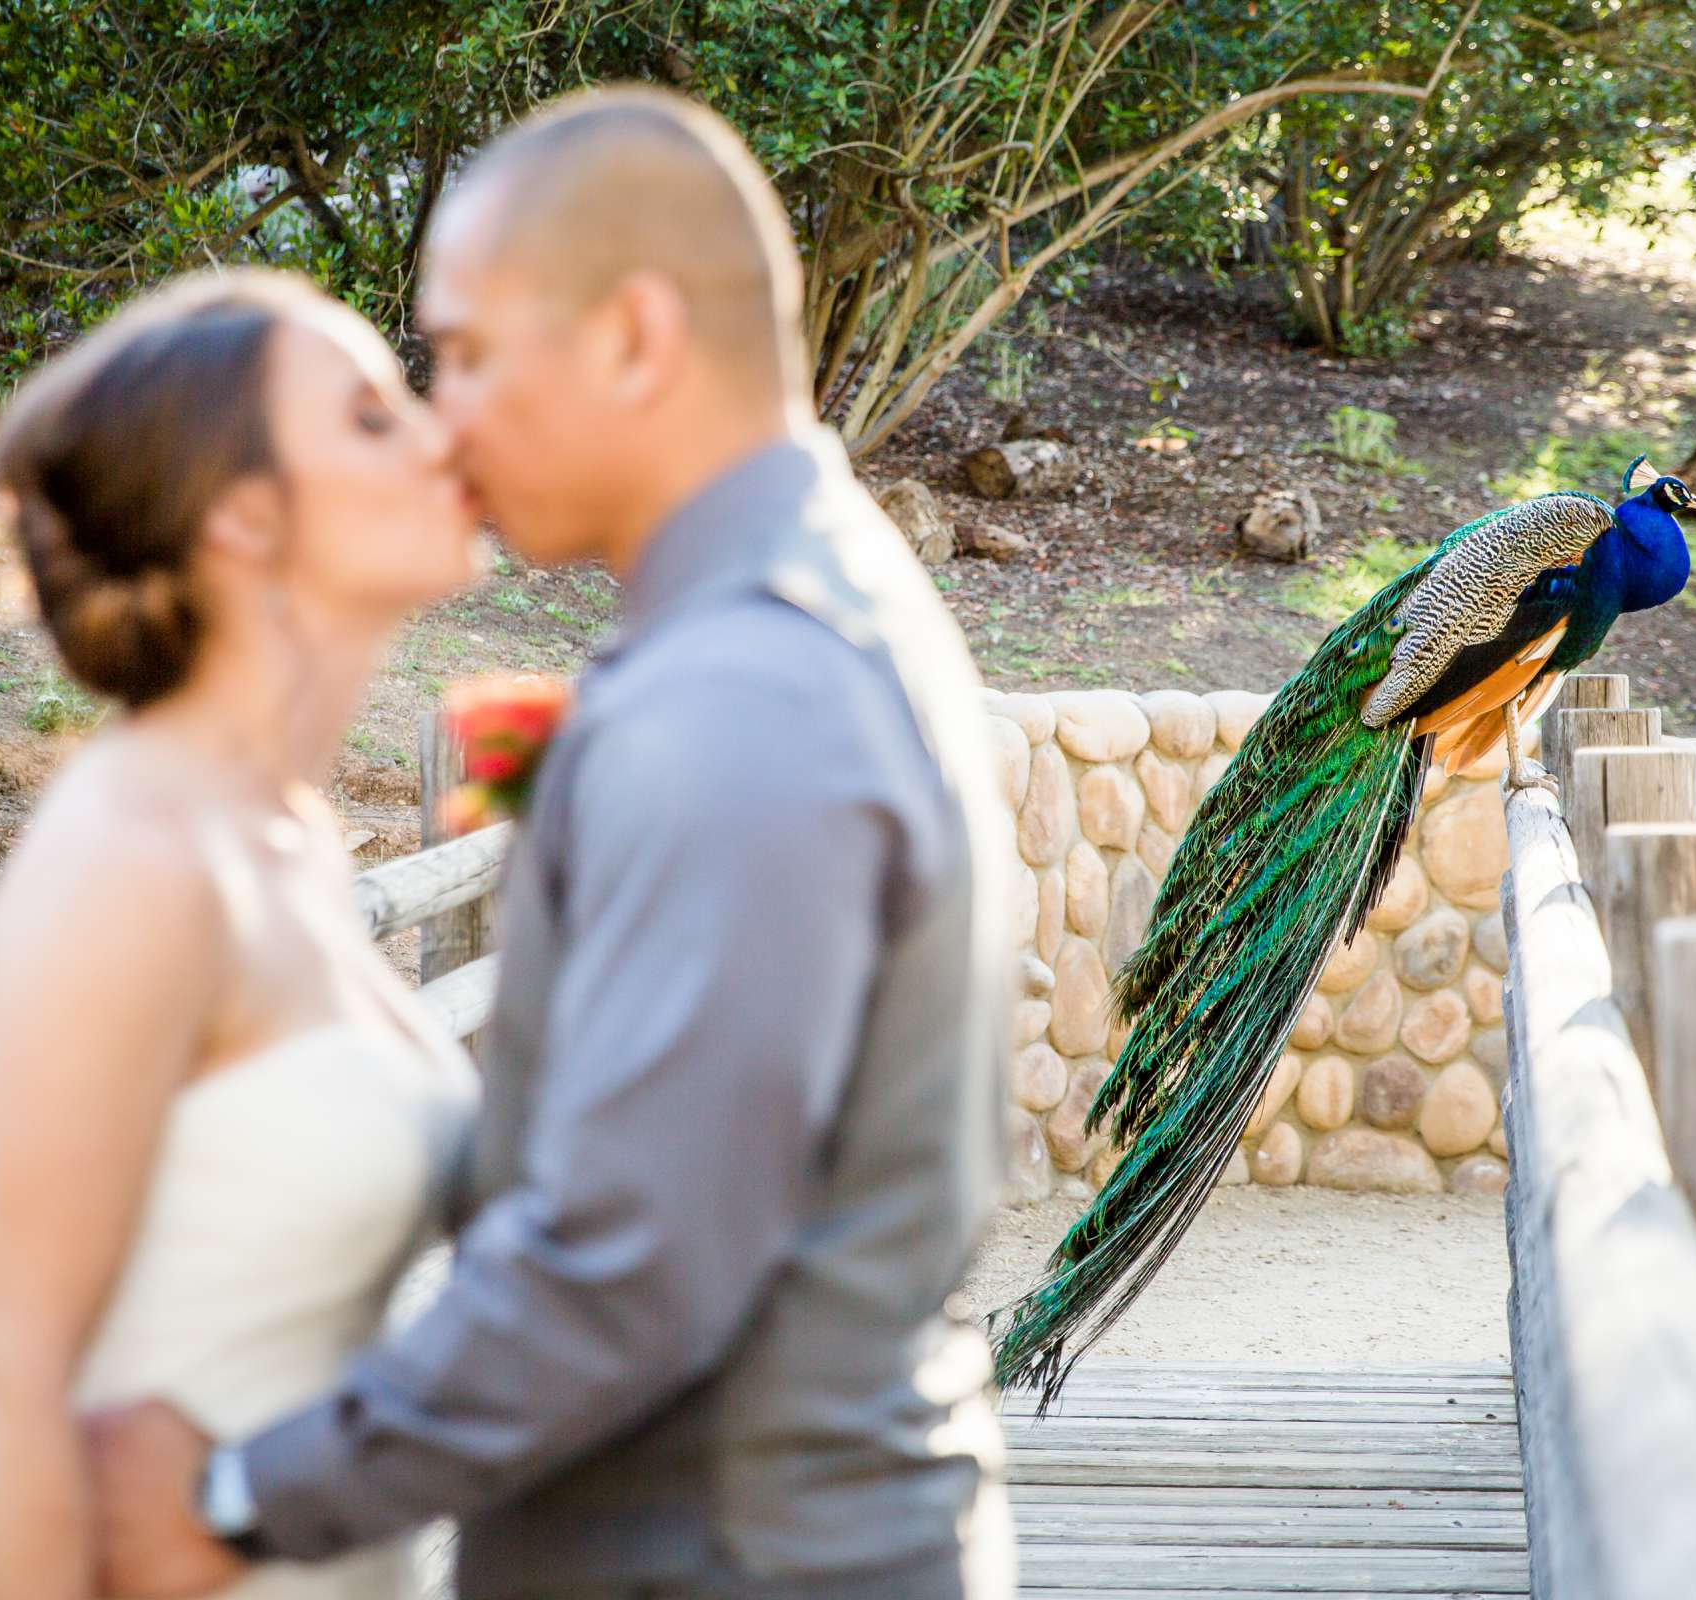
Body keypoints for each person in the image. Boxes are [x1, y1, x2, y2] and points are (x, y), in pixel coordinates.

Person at [86, 86, 1018, 1600]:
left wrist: (239, 1496)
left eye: (462, 352)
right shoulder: (806, 613)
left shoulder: (738, 696)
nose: (442, 416)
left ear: (635, 339)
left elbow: (631, 1260)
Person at [0, 269, 485, 1599]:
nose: (445, 436)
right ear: (244, 520)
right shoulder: (135, 859)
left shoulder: (283, 837)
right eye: (376, 419)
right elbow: (9, 1377)